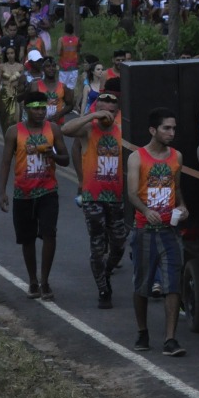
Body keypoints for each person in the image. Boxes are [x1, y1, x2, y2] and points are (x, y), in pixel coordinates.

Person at [125, 107, 189, 356]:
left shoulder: (177, 157)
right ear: (153, 130)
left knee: (172, 283)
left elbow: (177, 188)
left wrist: (182, 207)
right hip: (144, 230)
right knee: (142, 284)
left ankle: (170, 338)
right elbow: (131, 192)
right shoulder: (137, 158)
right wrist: (145, 209)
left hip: (169, 231)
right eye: (166, 128)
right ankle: (142, 331)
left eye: (173, 128)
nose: (171, 133)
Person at [0, 90, 70, 301]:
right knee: (27, 239)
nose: (40, 112)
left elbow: (66, 159)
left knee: (49, 234)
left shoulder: (53, 129)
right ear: (27, 110)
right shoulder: (14, 132)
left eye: (43, 108)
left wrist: (53, 155)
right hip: (23, 193)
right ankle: (32, 280)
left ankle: (45, 280)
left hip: (48, 191)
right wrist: (2, 192)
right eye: (36, 108)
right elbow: (5, 163)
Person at [62, 89, 127, 309]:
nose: (107, 114)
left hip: (116, 197)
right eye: (103, 109)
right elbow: (65, 129)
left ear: (117, 112)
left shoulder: (121, 131)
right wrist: (92, 116)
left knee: (119, 244)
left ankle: (105, 273)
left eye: (112, 110)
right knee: (98, 244)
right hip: (93, 197)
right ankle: (103, 289)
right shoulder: (89, 129)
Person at [0, 44, 26, 134]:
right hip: (5, 93)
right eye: (8, 53)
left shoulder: (20, 66)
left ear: (15, 54)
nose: (10, 55)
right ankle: (7, 139)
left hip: (17, 94)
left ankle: (17, 138)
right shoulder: (2, 66)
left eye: (12, 53)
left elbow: (23, 82)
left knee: (16, 119)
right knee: (5, 119)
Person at [56, 23, 81, 90]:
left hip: (63, 66)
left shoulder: (61, 40)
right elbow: (78, 51)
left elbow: (58, 53)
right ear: (73, 30)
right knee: (71, 88)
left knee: (62, 87)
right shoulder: (77, 39)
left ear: (65, 30)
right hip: (74, 66)